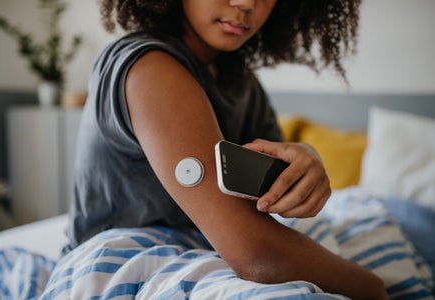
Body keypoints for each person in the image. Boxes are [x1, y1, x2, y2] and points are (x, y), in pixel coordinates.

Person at [64, 0, 388, 298]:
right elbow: (258, 255)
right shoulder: (150, 68)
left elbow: (266, 203)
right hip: (116, 261)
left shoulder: (240, 81)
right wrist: (373, 288)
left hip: (202, 248)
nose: (247, 3)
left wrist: (304, 168)